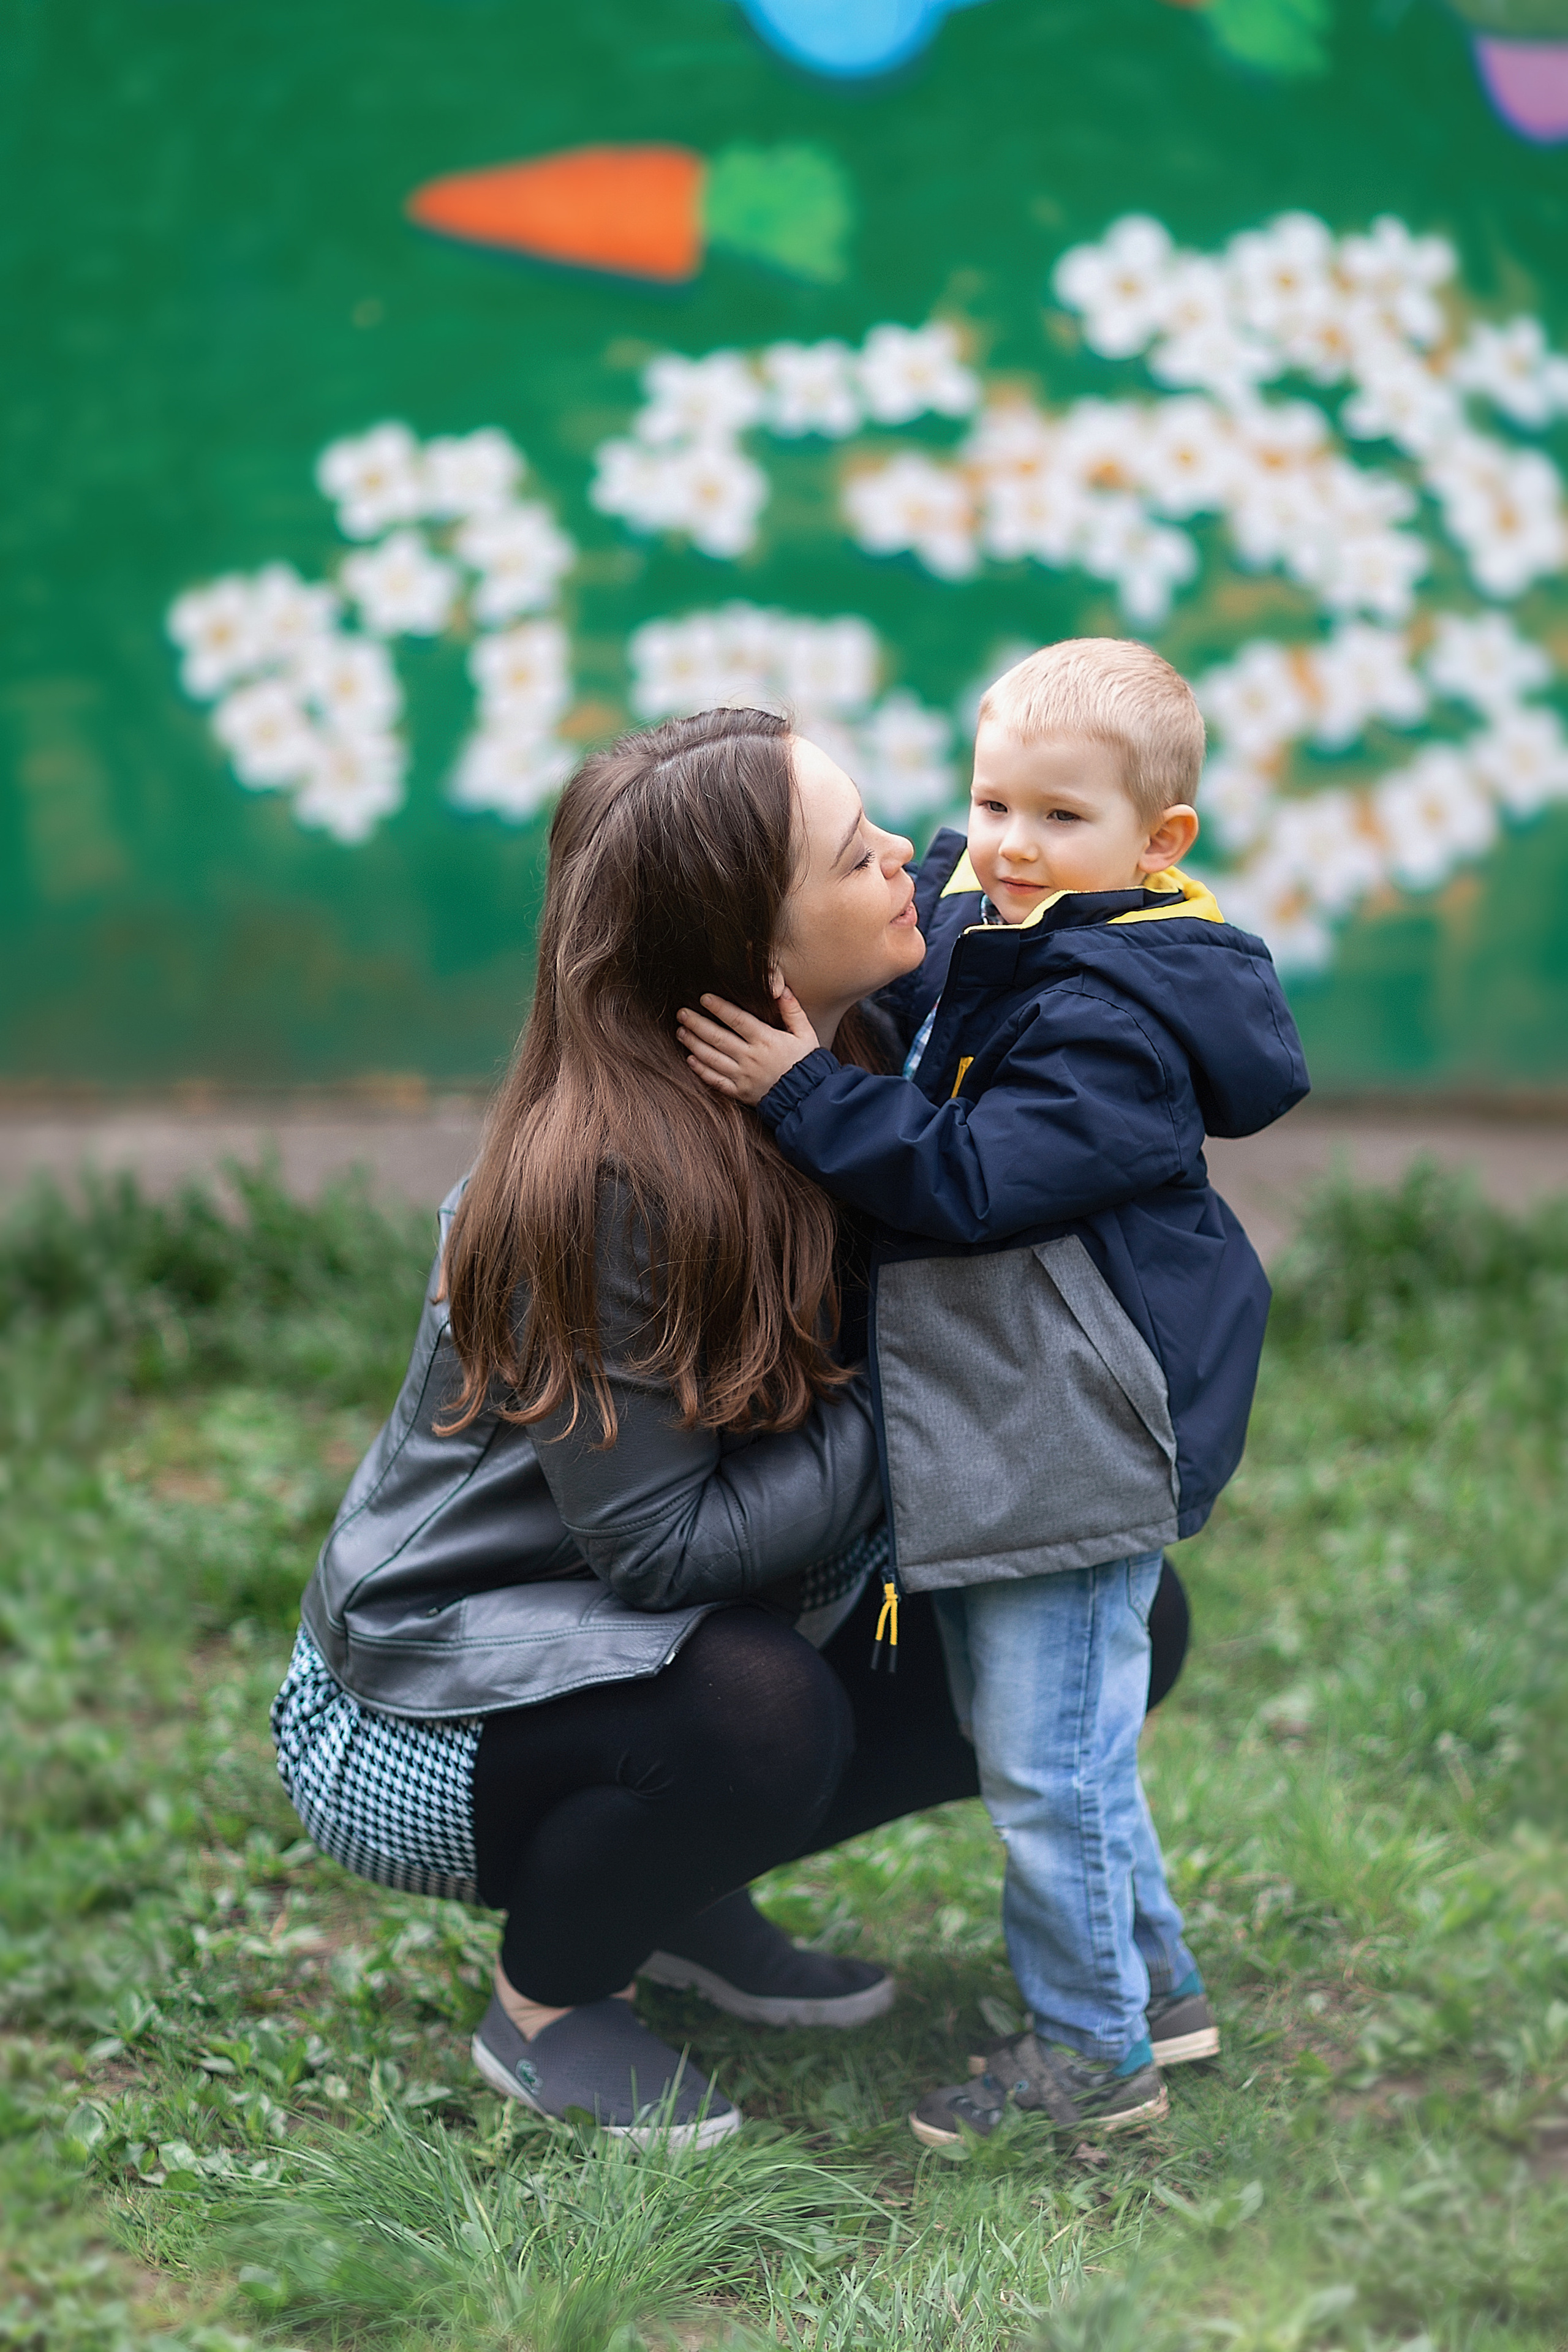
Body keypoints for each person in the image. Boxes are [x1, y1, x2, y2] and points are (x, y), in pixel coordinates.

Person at [272, 704, 1193, 2150]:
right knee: (761, 1713)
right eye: (850, 855)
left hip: (654, 1643)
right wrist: (916, 1387)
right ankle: (548, 2001)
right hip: (421, 1698)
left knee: (1100, 1602)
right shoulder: (602, 1191)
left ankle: (669, 1886)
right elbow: (659, 1550)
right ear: (755, 961)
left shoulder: (854, 1047)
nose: (904, 855)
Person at [677, 640, 1310, 2145]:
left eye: (1058, 818)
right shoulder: (1021, 915)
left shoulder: (1118, 1016)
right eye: (990, 803)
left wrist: (800, 1089)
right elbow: (937, 939)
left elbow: (966, 1178)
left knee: (1042, 1768)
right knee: (1060, 1744)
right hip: (1032, 1418)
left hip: (1076, 1429)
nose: (1008, 845)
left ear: (1158, 841)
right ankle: (1154, 1991)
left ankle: (1091, 2058)